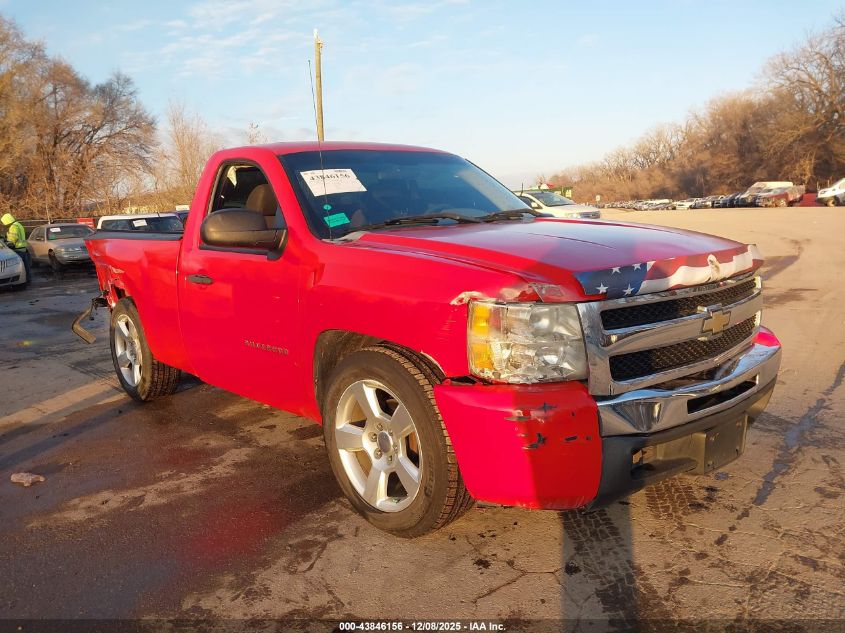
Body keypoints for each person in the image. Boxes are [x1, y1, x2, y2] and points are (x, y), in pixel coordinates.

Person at [1, 212, 31, 286]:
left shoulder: (13, 227)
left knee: (20, 267)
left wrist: (7, 242)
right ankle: (28, 280)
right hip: (23, 248)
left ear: (7, 221)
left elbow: (13, 238)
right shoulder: (18, 224)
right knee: (25, 266)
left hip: (18, 249)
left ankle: (24, 281)